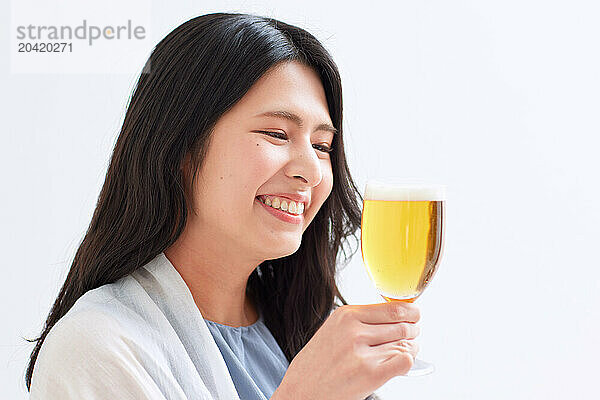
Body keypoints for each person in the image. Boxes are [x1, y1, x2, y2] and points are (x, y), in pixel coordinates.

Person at [25, 12, 421, 400]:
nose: (312, 172)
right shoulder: (96, 347)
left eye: (321, 146)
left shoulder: (304, 329)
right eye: (277, 133)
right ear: (178, 144)